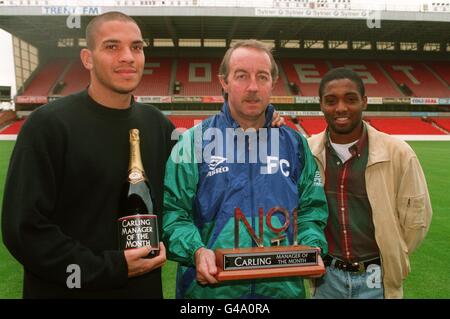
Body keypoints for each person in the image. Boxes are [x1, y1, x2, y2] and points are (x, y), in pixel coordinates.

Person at [1, 12, 172, 298]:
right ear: (87, 58)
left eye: (137, 47)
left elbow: (197, 193)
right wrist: (111, 267)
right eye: (112, 46)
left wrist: (269, 127)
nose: (128, 57)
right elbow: (25, 230)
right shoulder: (48, 125)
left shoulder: (159, 126)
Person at [162, 40, 328, 299]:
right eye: (241, 76)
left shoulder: (294, 144)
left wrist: (311, 245)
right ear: (224, 82)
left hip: (281, 291)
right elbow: (173, 214)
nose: (252, 87)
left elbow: (311, 210)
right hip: (210, 295)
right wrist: (196, 250)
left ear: (273, 82)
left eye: (262, 77)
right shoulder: (193, 142)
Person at [308, 67, 432, 299]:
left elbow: (418, 219)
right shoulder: (307, 152)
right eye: (331, 101)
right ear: (321, 104)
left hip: (378, 281)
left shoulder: (399, 153)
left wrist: (394, 255)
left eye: (351, 99)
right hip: (326, 279)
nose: (341, 108)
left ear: (364, 102)